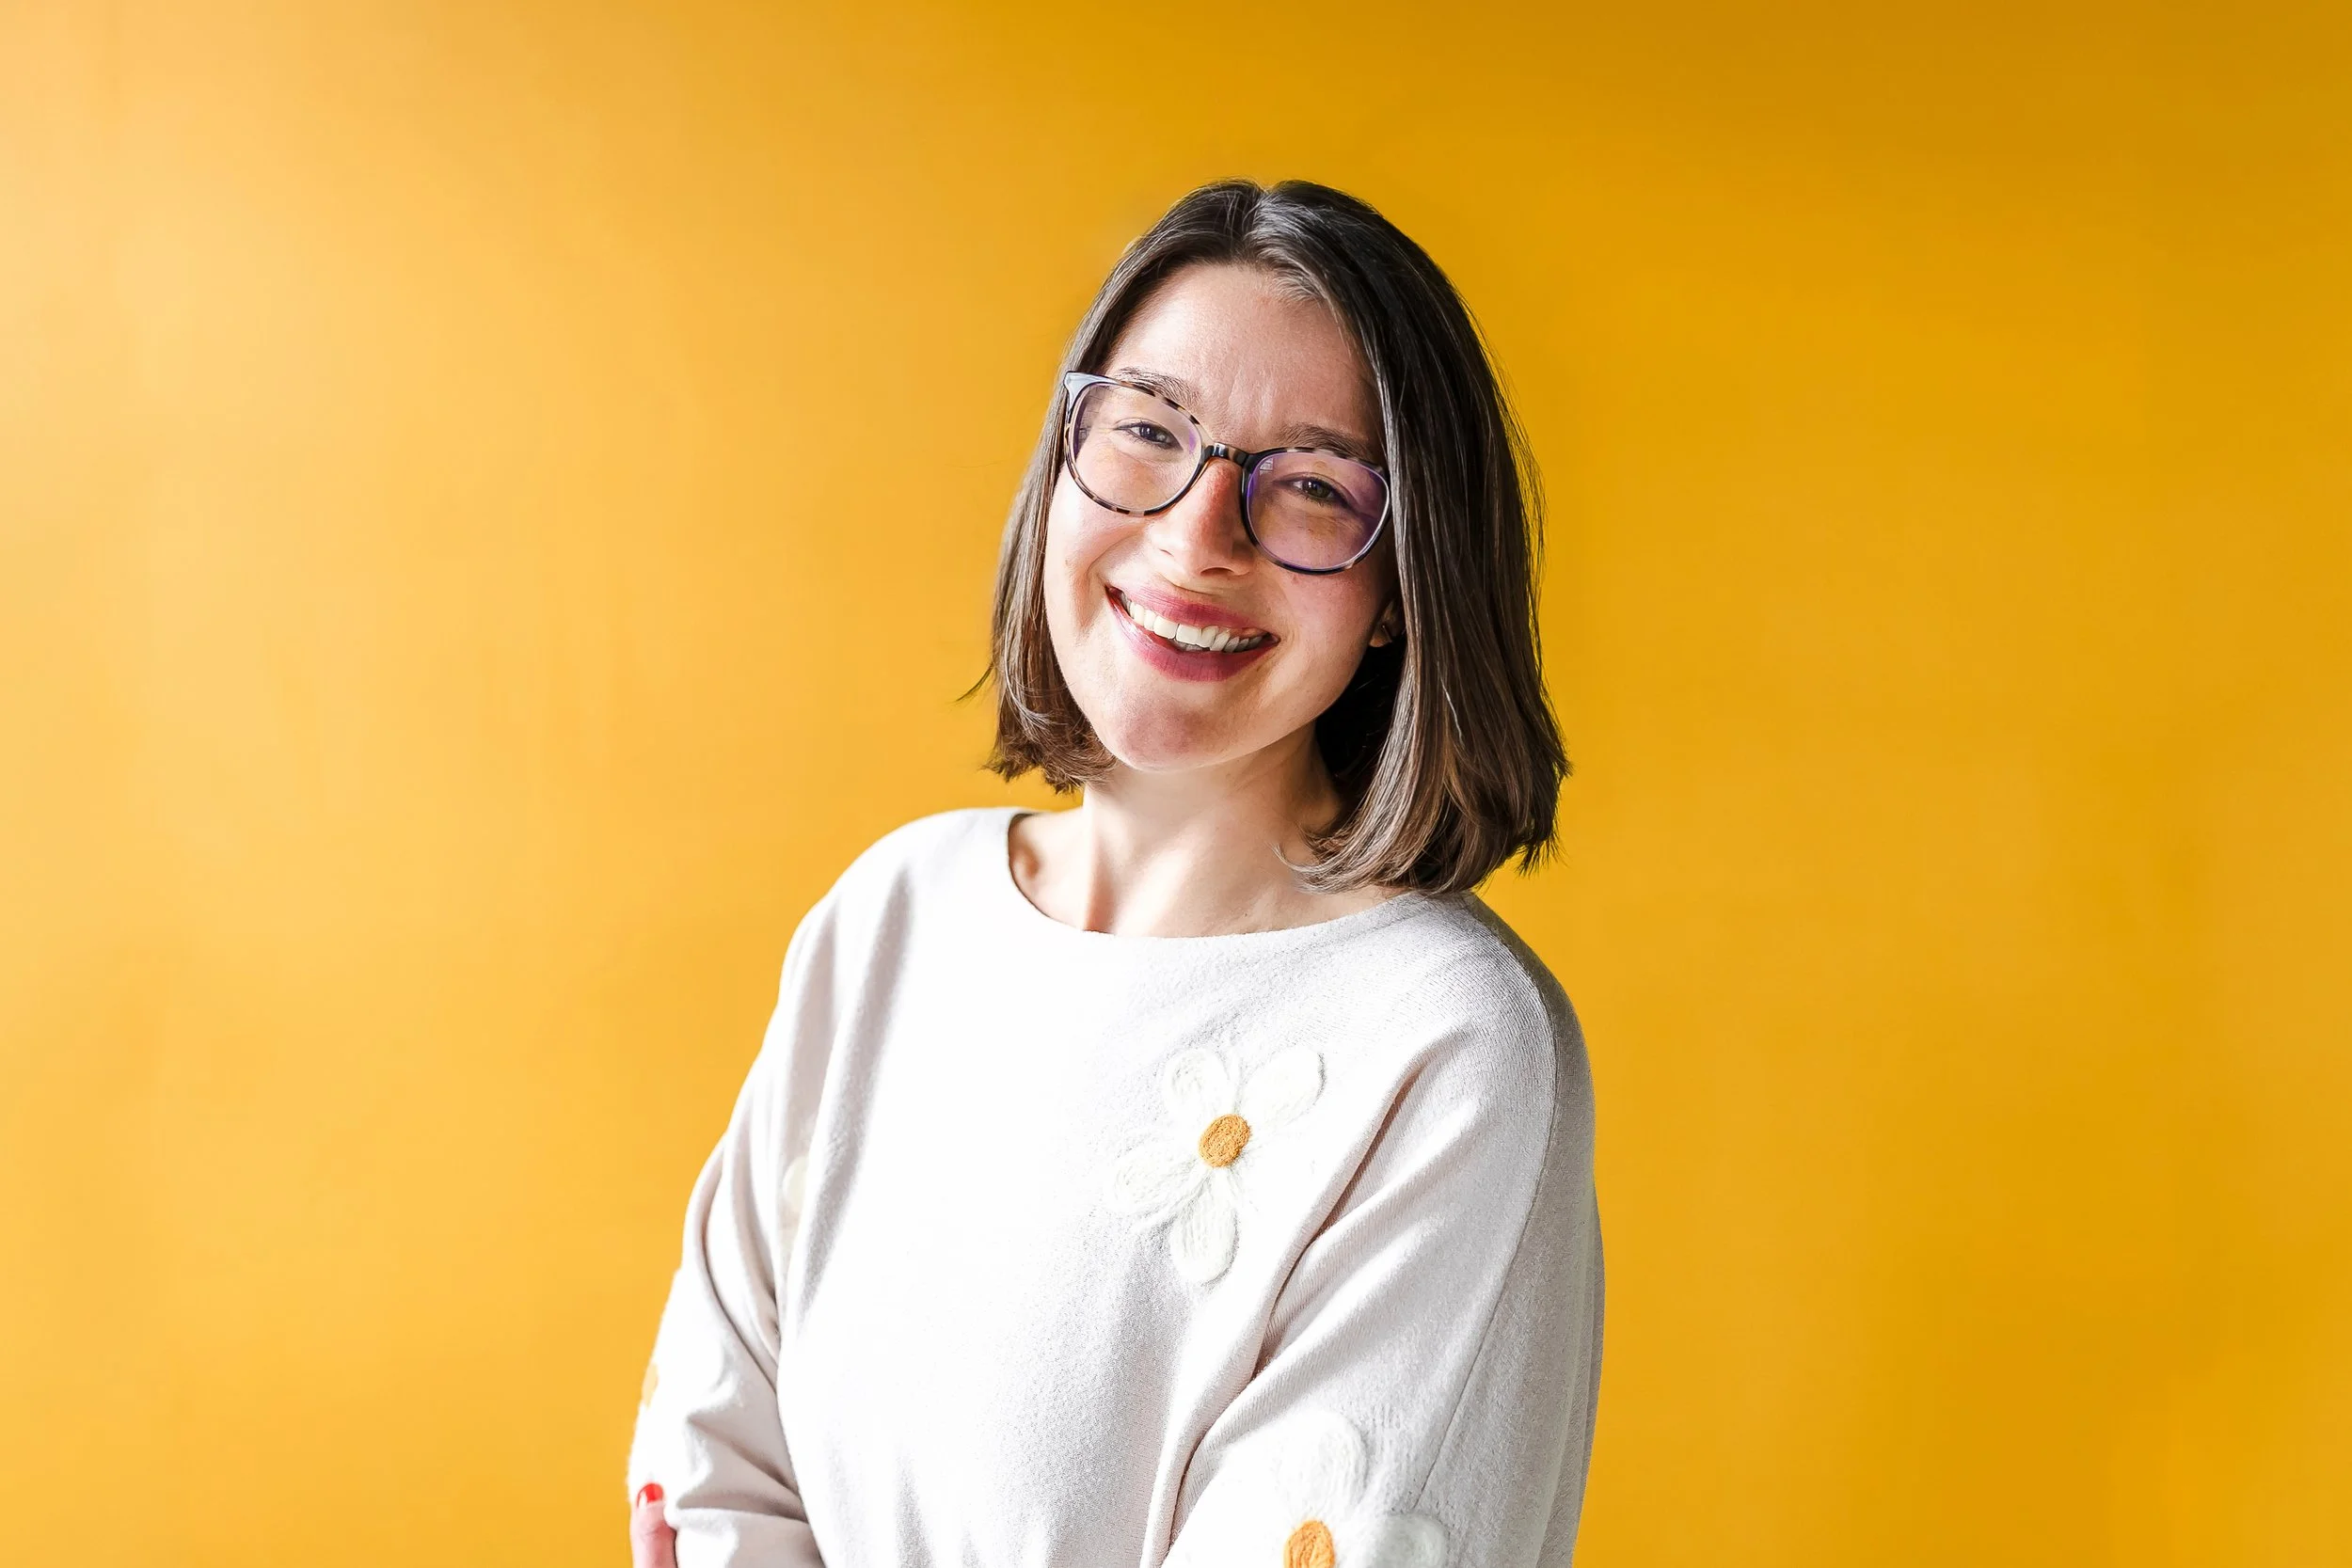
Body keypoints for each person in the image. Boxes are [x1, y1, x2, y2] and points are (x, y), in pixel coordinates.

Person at [624, 178, 1602, 1568]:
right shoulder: (889, 920)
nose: (1199, 537)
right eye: (1150, 431)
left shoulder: (1447, 1046)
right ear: (1062, 464)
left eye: (1314, 486)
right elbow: (703, 1470)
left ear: (1400, 595)